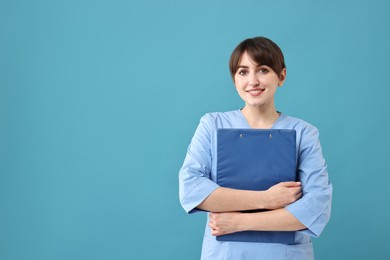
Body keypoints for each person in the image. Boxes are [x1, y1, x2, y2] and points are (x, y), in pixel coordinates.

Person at [178, 36, 332, 260]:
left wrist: (241, 221)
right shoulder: (212, 124)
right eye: (243, 71)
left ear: (281, 76)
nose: (252, 81)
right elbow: (192, 190)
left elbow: (316, 208)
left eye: (263, 70)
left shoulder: (304, 132)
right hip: (225, 253)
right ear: (234, 79)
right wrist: (266, 199)